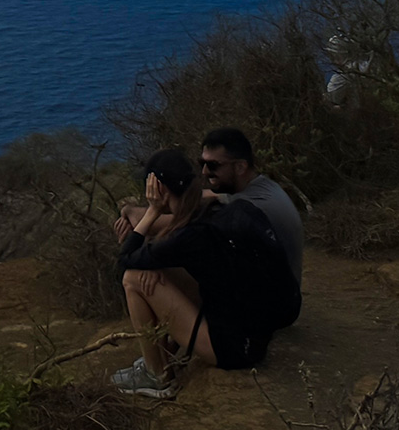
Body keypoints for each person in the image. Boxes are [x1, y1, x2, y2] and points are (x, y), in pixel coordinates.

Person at [109, 148, 298, 399]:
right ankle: (162, 357)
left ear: (160, 191)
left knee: (133, 279)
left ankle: (158, 377)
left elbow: (124, 262)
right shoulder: (223, 209)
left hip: (232, 350)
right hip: (255, 334)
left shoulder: (190, 237)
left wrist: (152, 212)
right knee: (156, 269)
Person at [200, 126, 301, 324]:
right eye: (201, 163)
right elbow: (213, 197)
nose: (204, 171)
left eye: (212, 165)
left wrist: (144, 215)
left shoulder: (251, 208)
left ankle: (165, 350)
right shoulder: (262, 188)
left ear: (240, 167)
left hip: (275, 310)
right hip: (286, 298)